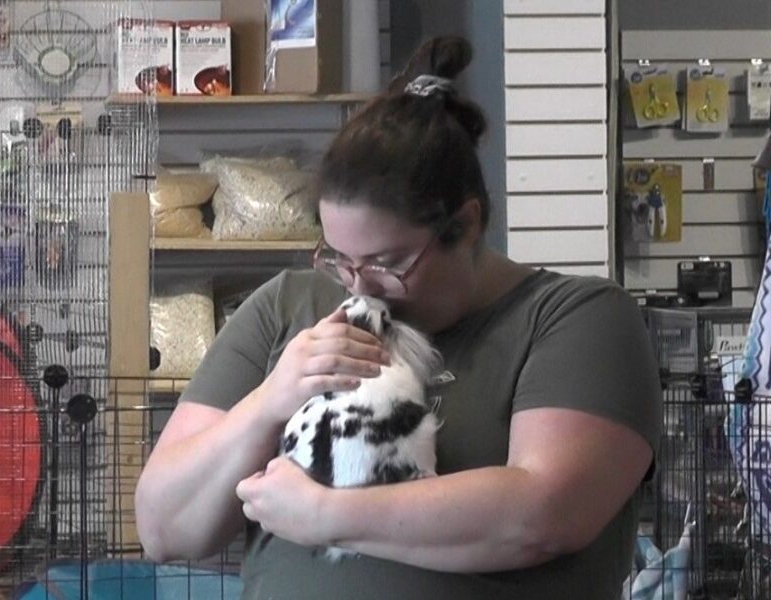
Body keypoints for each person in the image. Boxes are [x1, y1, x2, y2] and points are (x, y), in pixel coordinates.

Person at [135, 36, 663, 600]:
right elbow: (164, 528)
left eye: (387, 263)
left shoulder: (574, 319)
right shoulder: (289, 306)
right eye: (337, 258)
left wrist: (326, 516)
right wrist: (271, 398)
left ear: (465, 225)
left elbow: (542, 515)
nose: (357, 285)